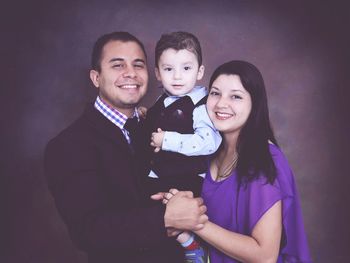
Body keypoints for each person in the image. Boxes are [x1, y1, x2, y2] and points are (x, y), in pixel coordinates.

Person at [44, 31, 208, 263]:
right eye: (117, 65)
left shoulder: (157, 126)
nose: (130, 73)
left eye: (138, 65)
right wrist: (165, 217)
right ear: (96, 77)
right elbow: (89, 231)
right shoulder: (69, 146)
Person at [153, 60, 312, 262]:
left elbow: (265, 256)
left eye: (235, 96)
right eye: (215, 93)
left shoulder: (265, 159)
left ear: (255, 104)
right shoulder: (209, 149)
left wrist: (194, 222)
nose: (221, 104)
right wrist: (177, 201)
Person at [140, 31, 221, 262]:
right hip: (160, 173)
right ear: (157, 73)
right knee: (145, 208)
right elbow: (163, 118)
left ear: (200, 72)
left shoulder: (201, 107)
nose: (177, 76)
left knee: (177, 210)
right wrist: (147, 117)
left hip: (188, 178)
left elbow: (209, 142)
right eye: (168, 69)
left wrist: (168, 139)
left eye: (186, 68)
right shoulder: (162, 100)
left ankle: (191, 244)